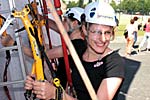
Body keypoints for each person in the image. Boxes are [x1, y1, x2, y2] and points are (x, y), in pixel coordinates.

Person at [25, 1, 125, 100]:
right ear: (85, 30)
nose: (102, 39)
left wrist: (57, 94)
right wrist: (39, 86)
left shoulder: (114, 62)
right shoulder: (78, 52)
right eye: (96, 32)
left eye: (107, 33)